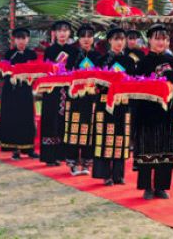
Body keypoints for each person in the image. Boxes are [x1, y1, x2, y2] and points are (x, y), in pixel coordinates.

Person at [134, 24, 173, 200]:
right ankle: (147, 186)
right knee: (147, 147)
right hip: (147, 112)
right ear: (150, 40)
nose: (161, 42)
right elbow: (137, 87)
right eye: (157, 38)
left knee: (165, 148)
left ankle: (161, 186)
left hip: (166, 112)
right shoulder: (143, 63)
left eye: (164, 39)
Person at [92, 28, 135, 186]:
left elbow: (133, 81)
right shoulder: (102, 60)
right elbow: (96, 82)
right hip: (104, 103)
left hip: (123, 103)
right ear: (109, 41)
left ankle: (118, 174)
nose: (120, 42)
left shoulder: (129, 61)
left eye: (122, 39)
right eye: (116, 39)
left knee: (121, 138)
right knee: (105, 137)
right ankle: (105, 174)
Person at [63, 24, 102, 176]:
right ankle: (72, 162)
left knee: (90, 129)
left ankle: (86, 161)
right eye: (83, 36)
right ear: (79, 39)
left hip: (91, 98)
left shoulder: (98, 56)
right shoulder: (72, 54)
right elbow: (66, 73)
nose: (86, 39)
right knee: (74, 128)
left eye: (89, 36)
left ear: (93, 38)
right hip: (75, 98)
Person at [41, 20, 79, 166]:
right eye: (60, 31)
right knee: (51, 121)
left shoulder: (74, 51)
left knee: (65, 122)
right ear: (55, 33)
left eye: (65, 30)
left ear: (69, 33)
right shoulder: (49, 51)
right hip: (52, 91)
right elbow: (46, 71)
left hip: (68, 90)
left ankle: (63, 154)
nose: (62, 33)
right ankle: (50, 157)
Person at [0, 28, 39, 160]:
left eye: (24, 38)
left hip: (26, 90)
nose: (21, 41)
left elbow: (36, 73)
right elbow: (3, 72)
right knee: (13, 118)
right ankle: (15, 149)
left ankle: (29, 149)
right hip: (11, 90)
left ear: (28, 39)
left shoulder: (32, 55)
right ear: (14, 40)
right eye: (18, 38)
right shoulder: (9, 54)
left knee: (27, 118)